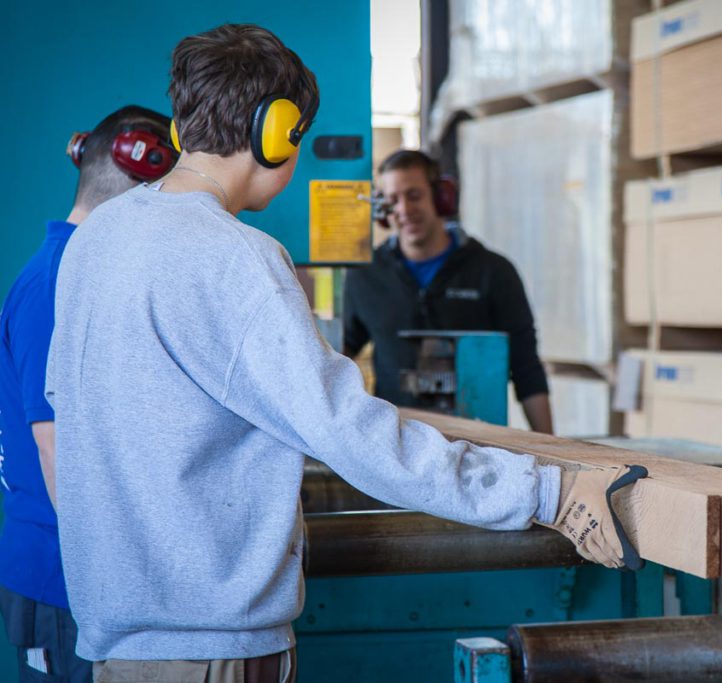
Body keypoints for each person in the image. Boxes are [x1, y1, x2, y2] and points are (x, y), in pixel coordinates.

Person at [45, 24, 630, 681]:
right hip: (210, 649)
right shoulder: (237, 256)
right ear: (279, 133)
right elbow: (352, 434)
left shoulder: (95, 241)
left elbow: (69, 411)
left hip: (115, 643)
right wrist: (548, 491)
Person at [0, 105, 175, 682]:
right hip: (67, 581)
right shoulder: (60, 280)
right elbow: (58, 452)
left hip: (87, 579)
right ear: (141, 176)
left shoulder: (84, 272)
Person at [342, 149, 555, 433]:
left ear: (442, 197)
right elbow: (341, 358)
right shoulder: (366, 275)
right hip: (396, 447)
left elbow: (527, 368)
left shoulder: (493, 271)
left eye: (414, 195)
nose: (404, 210)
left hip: (482, 444)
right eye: (392, 200)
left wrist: (551, 448)